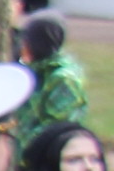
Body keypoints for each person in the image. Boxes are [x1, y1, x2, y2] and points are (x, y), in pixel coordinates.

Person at [14, 9, 90, 156]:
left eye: (26, 40)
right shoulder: (34, 70)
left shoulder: (64, 80)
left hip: (47, 158)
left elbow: (55, 130)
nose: (22, 46)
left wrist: (15, 145)